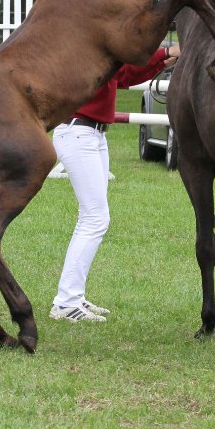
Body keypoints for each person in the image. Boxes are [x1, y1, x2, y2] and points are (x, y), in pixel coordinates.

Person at [50, 44, 179, 322]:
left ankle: (73, 297)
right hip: (80, 134)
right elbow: (122, 68)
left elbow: (125, 76)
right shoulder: (89, 52)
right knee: (95, 219)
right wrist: (165, 51)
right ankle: (66, 301)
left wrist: (163, 58)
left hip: (93, 135)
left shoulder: (97, 53)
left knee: (92, 218)